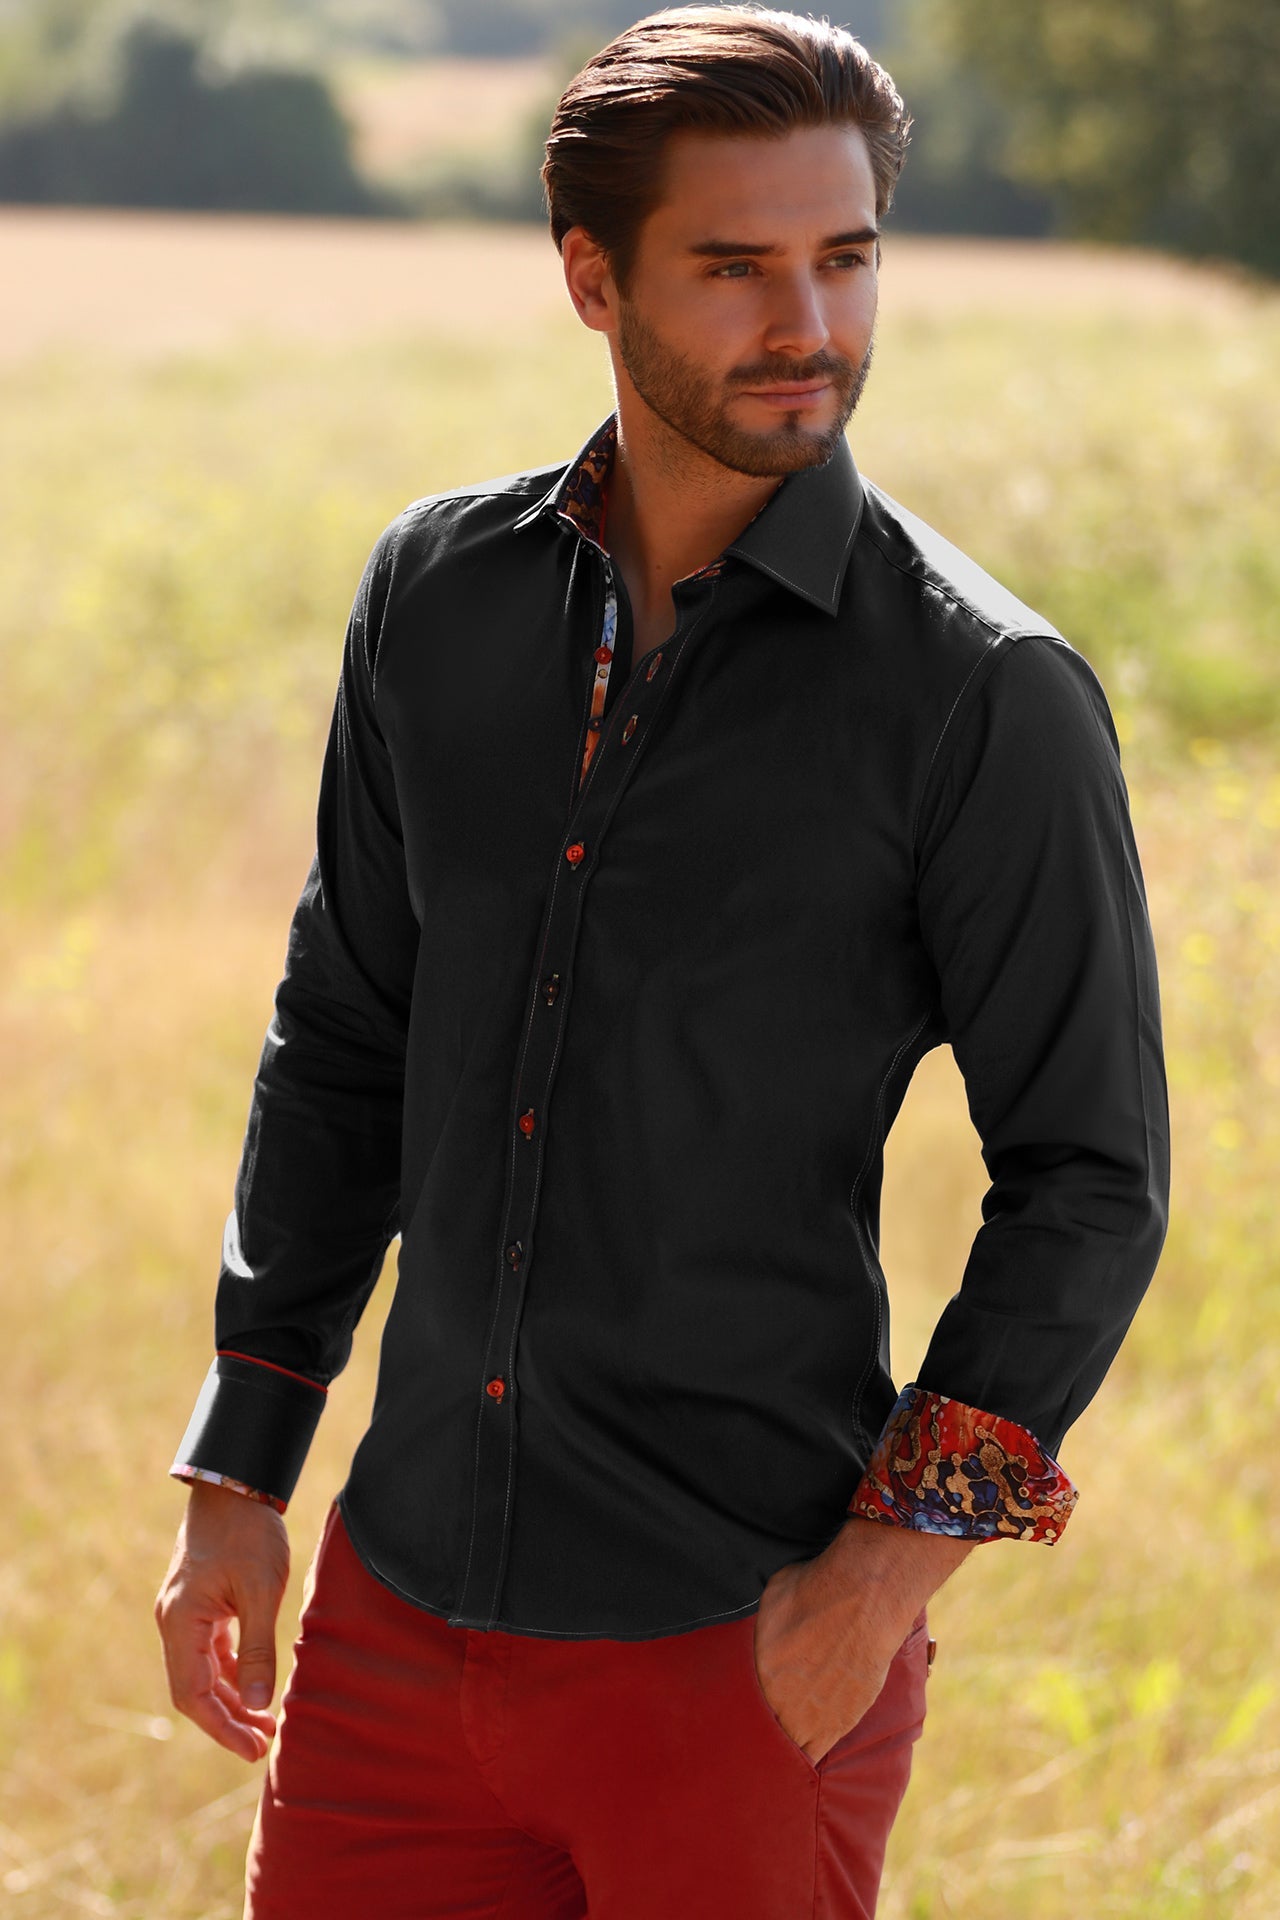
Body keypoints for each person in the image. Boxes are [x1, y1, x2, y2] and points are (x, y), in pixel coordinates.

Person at [154, 8, 1171, 1916]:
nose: (811, 324)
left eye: (846, 257)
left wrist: (873, 1593)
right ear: (591, 279)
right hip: (395, 1630)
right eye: (736, 267)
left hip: (741, 1651)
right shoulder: (436, 598)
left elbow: (1090, 1179)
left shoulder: (984, 696)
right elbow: (345, 1032)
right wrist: (243, 1470)